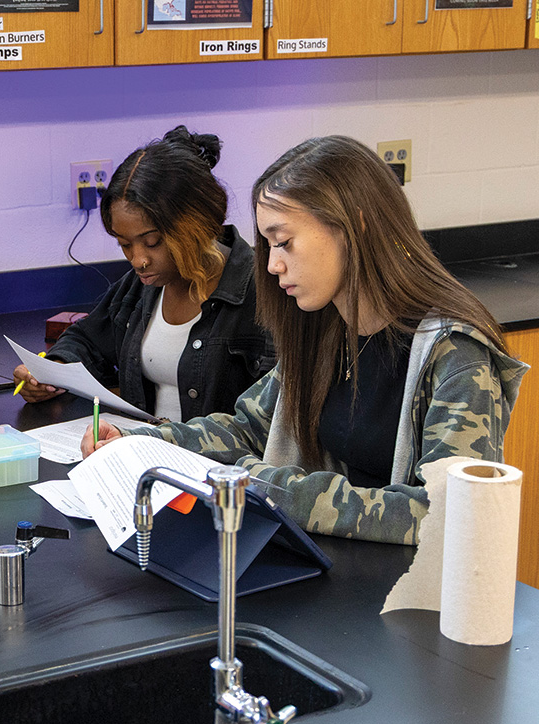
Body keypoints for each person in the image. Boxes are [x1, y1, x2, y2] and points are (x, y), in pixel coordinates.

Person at [83, 135, 528, 546]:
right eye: (268, 245)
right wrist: (142, 443)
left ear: (354, 228)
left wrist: (272, 488)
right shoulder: (326, 327)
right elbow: (248, 428)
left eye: (284, 242)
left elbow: (451, 512)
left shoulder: (456, 355)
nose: (273, 265)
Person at [13, 125, 275, 423]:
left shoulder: (263, 293)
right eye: (125, 245)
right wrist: (53, 371)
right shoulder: (143, 288)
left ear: (195, 224)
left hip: (219, 466)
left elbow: (266, 425)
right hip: (145, 459)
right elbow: (87, 340)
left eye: (153, 243)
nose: (138, 261)